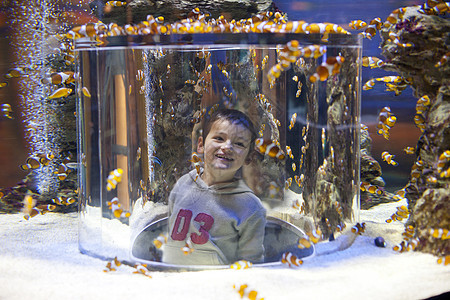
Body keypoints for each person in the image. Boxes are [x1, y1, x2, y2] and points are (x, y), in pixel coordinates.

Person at [162, 108, 266, 265]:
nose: (227, 147)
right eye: (219, 138)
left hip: (215, 284)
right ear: (201, 145)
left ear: (249, 157)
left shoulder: (250, 207)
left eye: (239, 143)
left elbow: (251, 263)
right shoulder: (183, 183)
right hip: (169, 276)